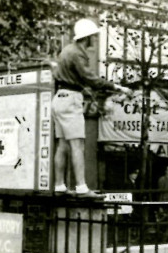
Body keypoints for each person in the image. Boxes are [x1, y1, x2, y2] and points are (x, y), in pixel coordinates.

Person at [52, 18, 132, 197]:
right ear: (86, 37)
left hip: (59, 98)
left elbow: (65, 76)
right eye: (93, 37)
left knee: (62, 145)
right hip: (71, 99)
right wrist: (116, 87)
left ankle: (59, 186)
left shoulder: (66, 51)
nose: (95, 40)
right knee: (78, 144)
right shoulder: (78, 53)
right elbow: (91, 78)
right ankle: (81, 188)